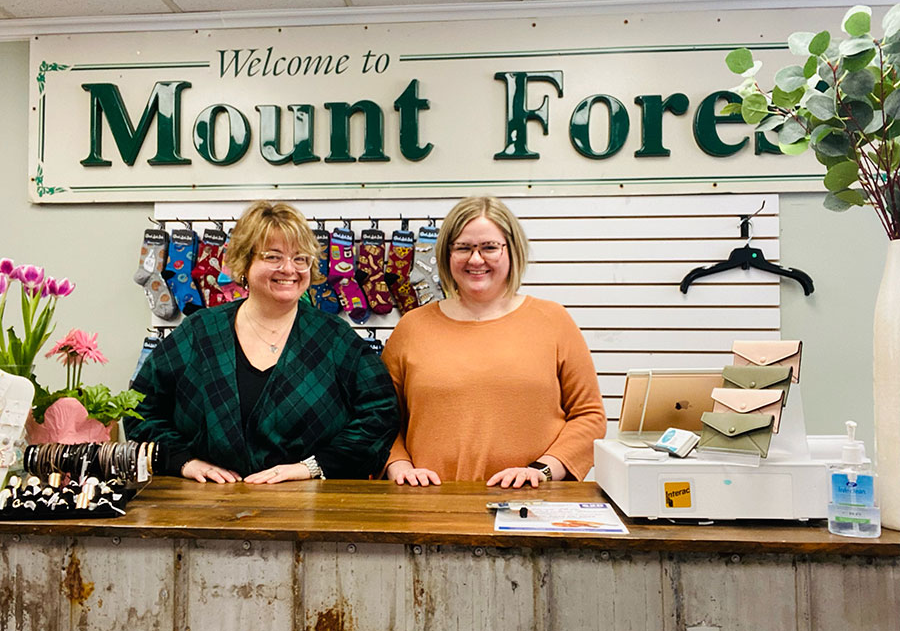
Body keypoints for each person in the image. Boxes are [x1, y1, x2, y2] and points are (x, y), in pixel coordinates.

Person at [125, 201, 399, 483]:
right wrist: (183, 461)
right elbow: (139, 408)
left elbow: (381, 413)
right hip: (209, 501)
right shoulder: (201, 331)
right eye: (273, 257)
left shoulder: (333, 337)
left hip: (310, 503)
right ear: (245, 263)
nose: (289, 269)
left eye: (300, 258)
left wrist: (313, 467)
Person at [381, 196, 606, 488]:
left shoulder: (553, 320)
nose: (476, 259)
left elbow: (589, 417)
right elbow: (382, 419)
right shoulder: (411, 328)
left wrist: (543, 470)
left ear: (512, 250)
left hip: (531, 503)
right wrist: (398, 464)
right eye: (463, 247)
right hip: (429, 502)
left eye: (489, 247)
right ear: (447, 254)